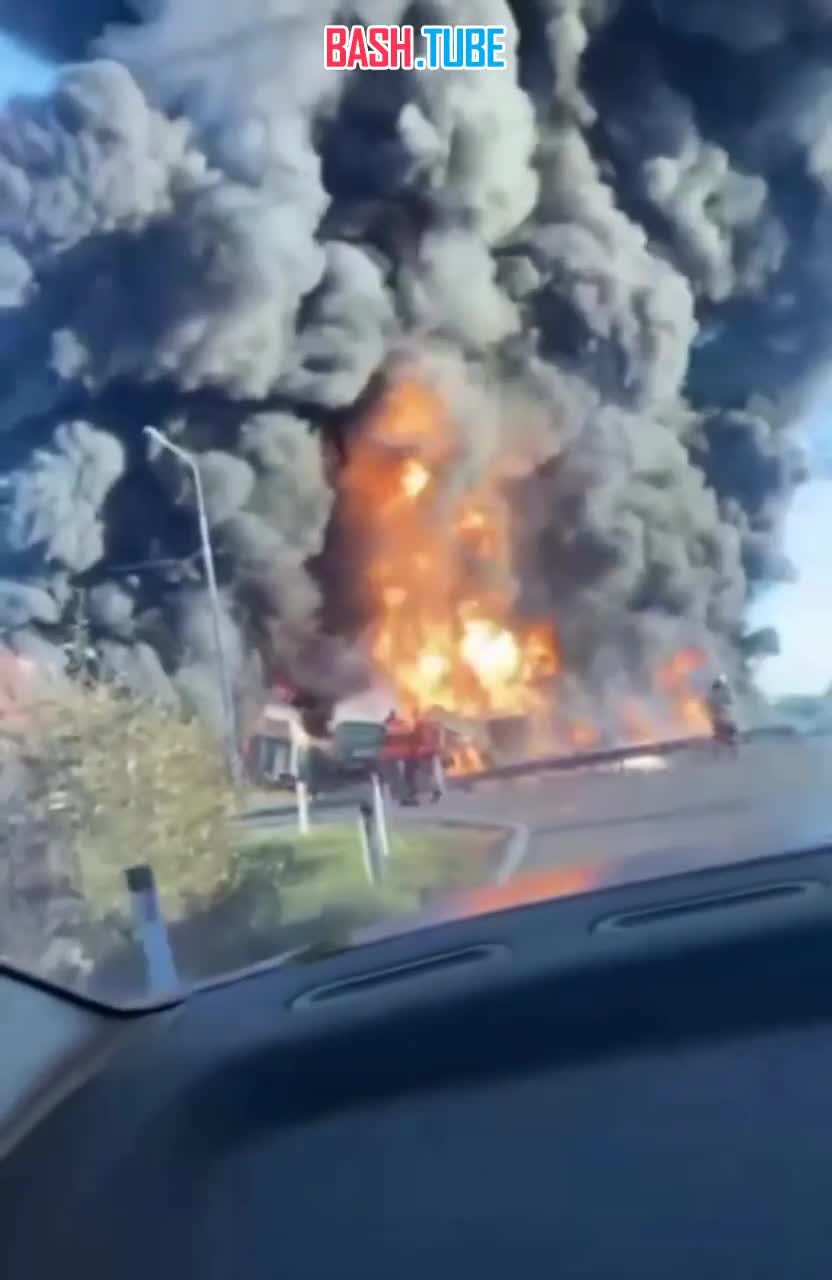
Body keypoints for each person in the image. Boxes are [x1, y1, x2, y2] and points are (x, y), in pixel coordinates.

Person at [707, 674, 738, 743]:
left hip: (719, 717)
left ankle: (726, 736)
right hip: (718, 717)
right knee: (724, 723)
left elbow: (730, 701)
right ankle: (725, 736)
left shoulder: (718, 693)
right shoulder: (714, 694)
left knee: (726, 723)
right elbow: (730, 701)